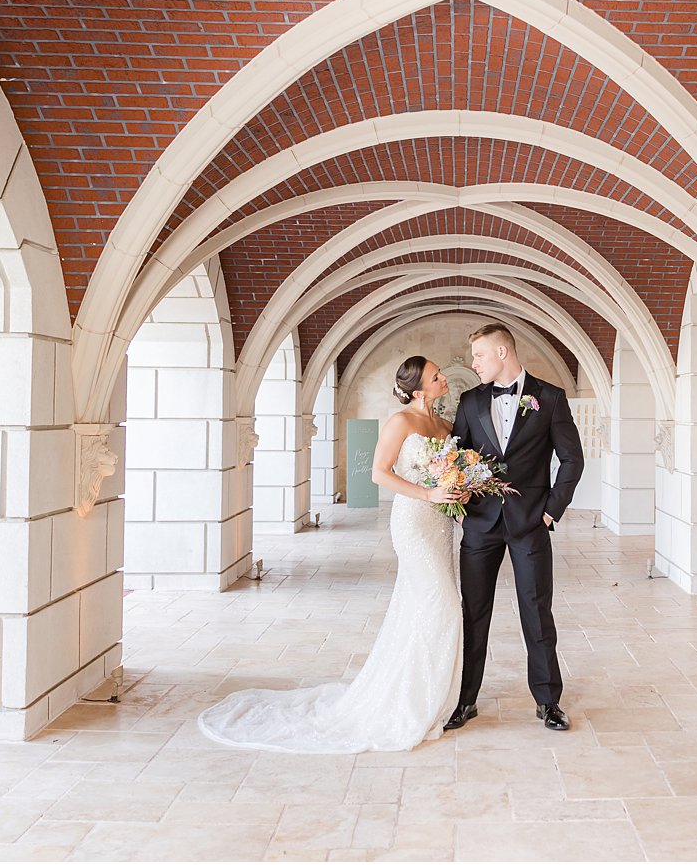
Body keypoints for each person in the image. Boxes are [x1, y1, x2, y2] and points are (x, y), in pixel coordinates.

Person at [197, 357, 467, 753]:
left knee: (429, 608)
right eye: (435, 376)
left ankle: (432, 696)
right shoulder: (401, 423)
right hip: (413, 523)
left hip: (441, 526)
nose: (443, 378)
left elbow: (449, 471)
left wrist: (456, 488)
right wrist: (428, 493)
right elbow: (379, 473)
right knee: (441, 603)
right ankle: (411, 701)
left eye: (440, 373)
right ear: (417, 389)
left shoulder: (446, 427)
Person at [445, 323, 585, 733]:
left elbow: (572, 460)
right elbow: (457, 456)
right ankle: (465, 699)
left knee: (537, 613)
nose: (474, 364)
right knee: (474, 614)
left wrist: (550, 511)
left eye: (480, 356)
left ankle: (548, 701)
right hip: (481, 526)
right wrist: (463, 502)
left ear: (502, 352)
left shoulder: (551, 398)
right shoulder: (470, 401)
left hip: (530, 525)